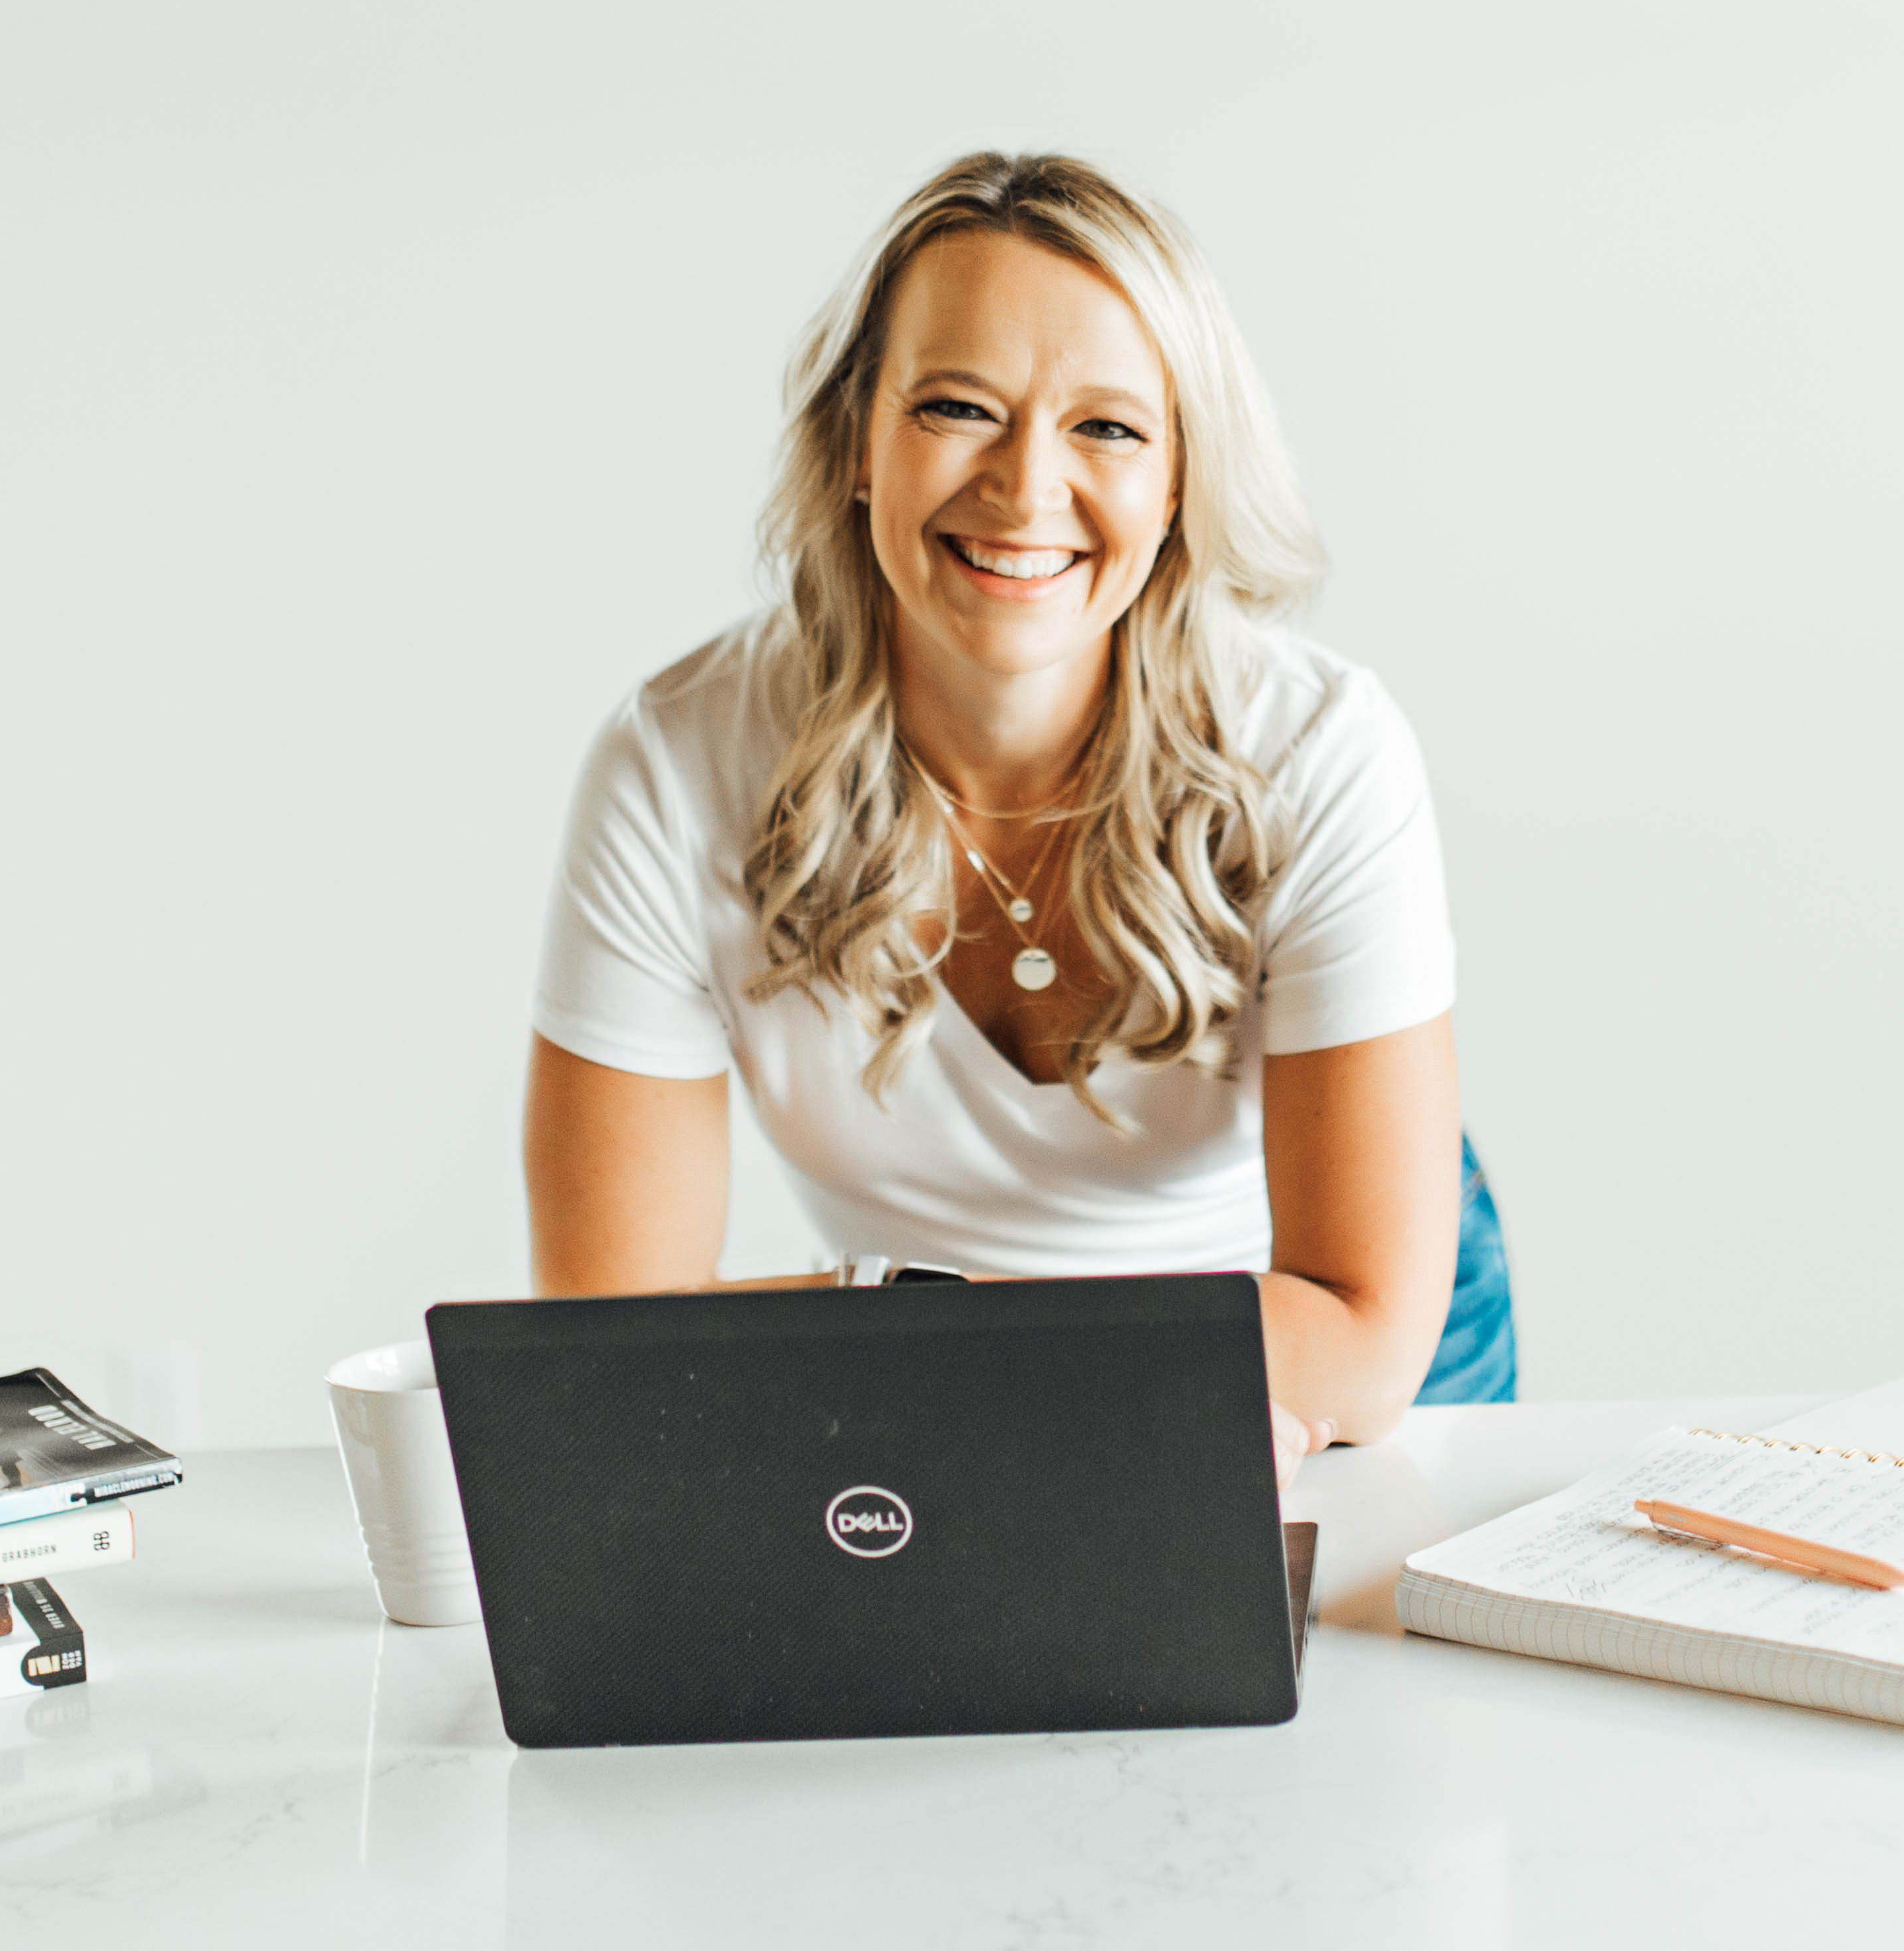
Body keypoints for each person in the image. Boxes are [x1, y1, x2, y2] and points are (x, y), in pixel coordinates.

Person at [525, 151, 1510, 1469]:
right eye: (957, 408)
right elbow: (605, 1351)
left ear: (1177, 485)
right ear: (857, 442)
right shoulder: (673, 764)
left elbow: (1360, 1333)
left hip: (1305, 1359)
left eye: (1107, 426)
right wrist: (920, 1350)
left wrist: (891, 1333)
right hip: (915, 1385)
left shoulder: (1324, 749)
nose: (1026, 488)